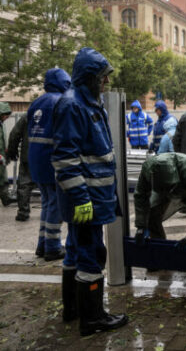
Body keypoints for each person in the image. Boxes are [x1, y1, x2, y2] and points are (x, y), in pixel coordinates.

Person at [52, 47, 128, 336]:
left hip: (92, 197)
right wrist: (81, 198)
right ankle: (93, 318)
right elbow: (65, 159)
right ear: (88, 78)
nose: (105, 83)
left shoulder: (88, 104)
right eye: (102, 77)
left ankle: (73, 310)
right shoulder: (74, 106)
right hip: (87, 200)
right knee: (91, 254)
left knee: (76, 251)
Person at [28, 68, 71, 261]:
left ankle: (42, 244)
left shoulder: (36, 103)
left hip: (36, 161)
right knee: (55, 204)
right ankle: (53, 247)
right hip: (52, 161)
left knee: (47, 203)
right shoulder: (60, 102)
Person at [133, 152, 186, 250]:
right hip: (164, 190)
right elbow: (140, 195)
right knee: (152, 215)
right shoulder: (148, 170)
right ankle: (160, 251)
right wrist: (141, 226)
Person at [6, 114, 36, 221]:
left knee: (24, 184)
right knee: (52, 184)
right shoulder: (55, 114)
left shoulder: (27, 116)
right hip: (48, 156)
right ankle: (54, 213)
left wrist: (12, 152)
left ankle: (23, 212)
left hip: (28, 156)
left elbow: (14, 134)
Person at [0, 102, 17, 207]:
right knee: (2, 178)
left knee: (3, 178)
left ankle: (6, 198)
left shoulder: (1, 124)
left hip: (1, 155)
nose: (7, 117)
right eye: (5, 114)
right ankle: (6, 198)